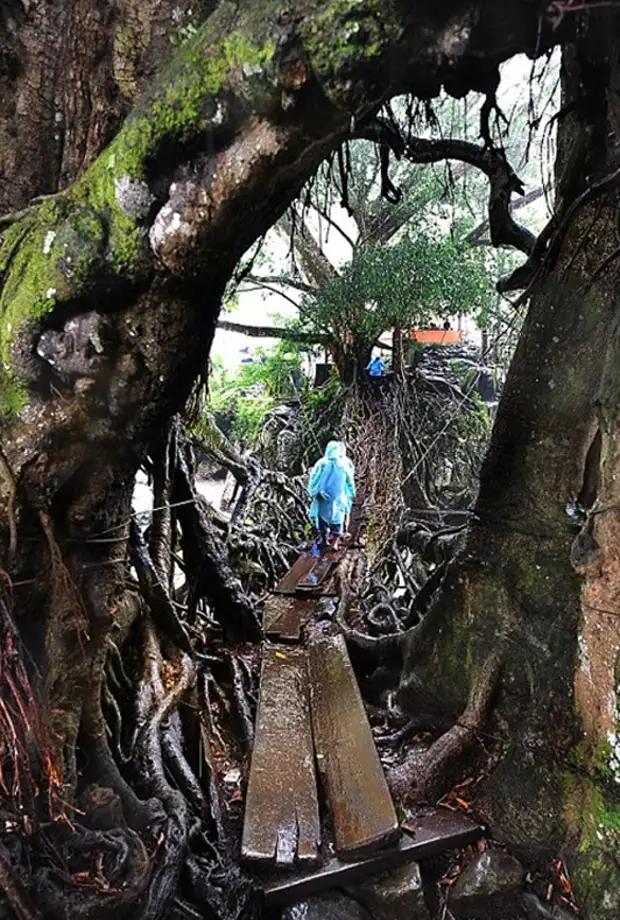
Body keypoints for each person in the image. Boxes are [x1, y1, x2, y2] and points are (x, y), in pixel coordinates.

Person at [308, 441, 356, 554]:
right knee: (337, 520)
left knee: (322, 520)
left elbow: (313, 478)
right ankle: (334, 542)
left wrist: (314, 491)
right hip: (337, 498)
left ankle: (325, 539)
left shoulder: (321, 463)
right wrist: (351, 492)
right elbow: (349, 481)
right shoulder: (342, 465)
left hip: (323, 499)